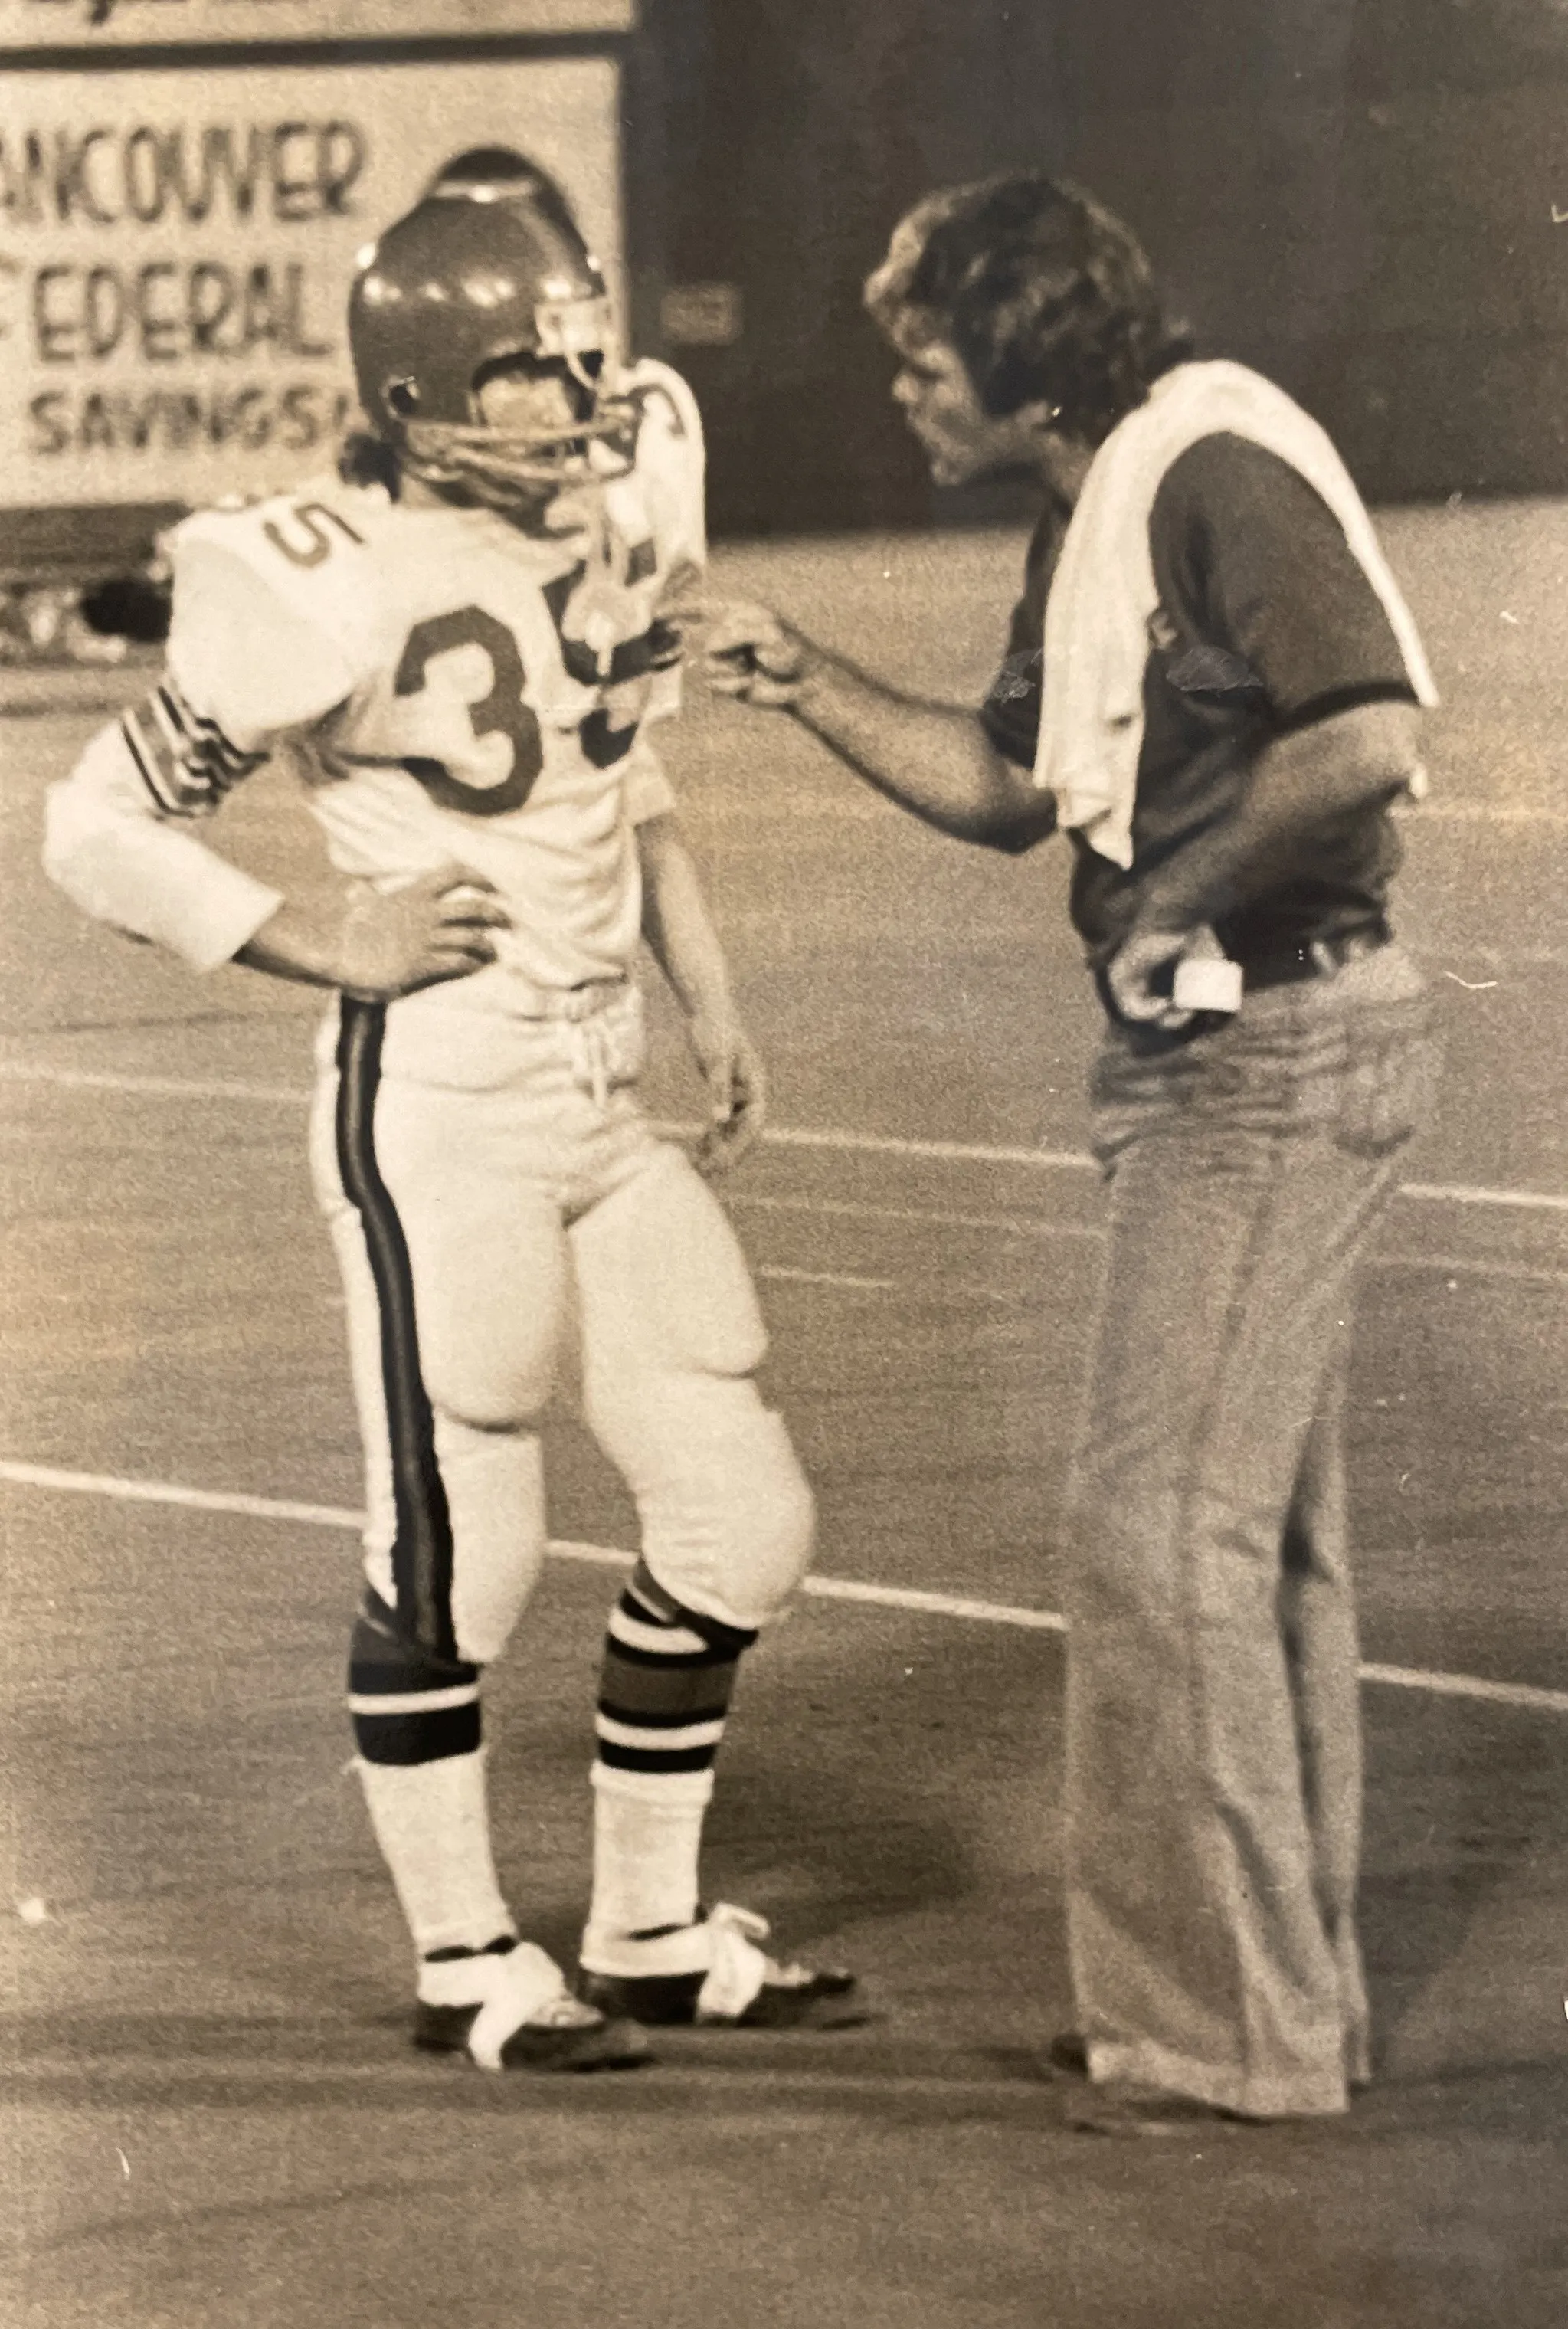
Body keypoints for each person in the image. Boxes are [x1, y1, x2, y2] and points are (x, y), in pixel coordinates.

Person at [43, 148, 860, 2074]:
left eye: (584, 363)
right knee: (462, 1540)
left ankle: (649, 1923)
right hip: (439, 1094)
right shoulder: (310, 570)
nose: (579, 404)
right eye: (530, 376)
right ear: (418, 403)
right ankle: (467, 1954)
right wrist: (322, 934)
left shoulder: (607, 515)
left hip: (599, 1080)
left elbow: (622, 776)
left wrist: (707, 989)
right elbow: (92, 821)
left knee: (743, 1513)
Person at [704, 172, 1443, 2131]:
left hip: (1271, 1049)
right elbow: (1025, 784)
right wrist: (796, 673)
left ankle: (1228, 2039)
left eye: (924, 359)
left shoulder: (1205, 467)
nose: (907, 396)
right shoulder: (1109, 490)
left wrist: (1171, 895)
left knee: (1153, 1537)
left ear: (1020, 361)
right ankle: (1275, 2010)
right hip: (1240, 1049)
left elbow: (1366, 732)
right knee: (1249, 1549)